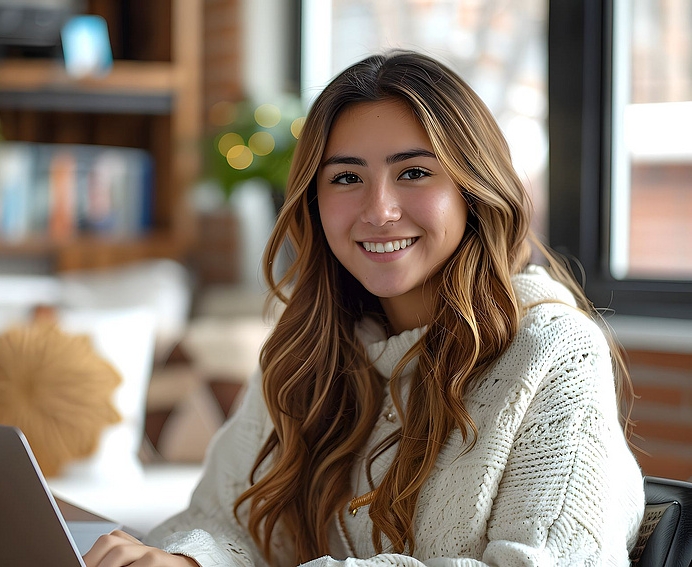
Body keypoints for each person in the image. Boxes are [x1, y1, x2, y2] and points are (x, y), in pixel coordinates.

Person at [84, 50, 644, 567]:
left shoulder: (555, 351)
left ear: (472, 189)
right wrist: (189, 561)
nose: (379, 210)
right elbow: (222, 521)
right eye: (347, 178)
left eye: (414, 172)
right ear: (315, 202)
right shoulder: (309, 351)